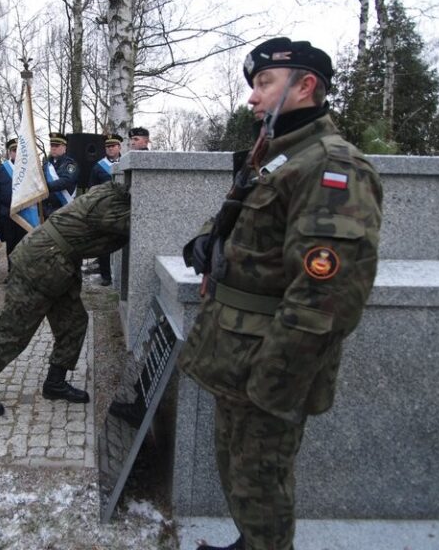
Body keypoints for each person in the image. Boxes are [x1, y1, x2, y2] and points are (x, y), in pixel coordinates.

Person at [178, 38, 383, 550]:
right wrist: (208, 241)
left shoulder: (333, 168)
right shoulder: (278, 155)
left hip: (267, 365)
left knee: (261, 485)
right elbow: (239, 214)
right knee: (239, 474)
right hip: (235, 354)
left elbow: (326, 298)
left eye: (264, 83)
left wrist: (273, 384)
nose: (252, 97)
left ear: (305, 85)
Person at [0, 180, 131, 417]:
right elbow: (137, 223)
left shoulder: (112, 194)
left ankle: (55, 383)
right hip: (39, 263)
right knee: (14, 330)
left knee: (74, 323)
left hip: (58, 266)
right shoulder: (110, 202)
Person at [89, 133, 123, 286]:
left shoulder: (127, 162)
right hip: (105, 209)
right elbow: (92, 189)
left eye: (113, 146)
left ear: (119, 147)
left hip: (124, 209)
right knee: (104, 244)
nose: (110, 149)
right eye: (107, 147)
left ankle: (123, 276)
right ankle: (106, 276)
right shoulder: (98, 166)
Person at [0, 137, 27, 274]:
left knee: (23, 244)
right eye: (13, 150)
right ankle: (12, 272)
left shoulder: (28, 168)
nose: (16, 153)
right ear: (9, 152)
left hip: (24, 213)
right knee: (10, 245)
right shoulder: (2, 169)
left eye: (18, 150)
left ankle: (23, 272)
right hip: (7, 213)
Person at [42, 132, 78, 218]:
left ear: (64, 147)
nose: (53, 148)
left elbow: (66, 181)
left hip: (65, 209)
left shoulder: (70, 164)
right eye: (52, 145)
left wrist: (46, 187)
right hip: (47, 210)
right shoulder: (46, 165)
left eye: (57, 146)